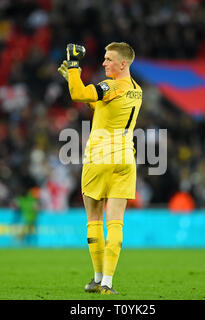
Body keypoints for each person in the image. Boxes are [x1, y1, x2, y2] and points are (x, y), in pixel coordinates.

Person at [58, 42, 142, 295]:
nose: (104, 63)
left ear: (122, 63)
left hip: (100, 157)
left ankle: (96, 278)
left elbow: (80, 94)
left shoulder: (112, 86)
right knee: (116, 222)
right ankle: (107, 283)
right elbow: (102, 106)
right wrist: (80, 86)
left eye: (108, 59)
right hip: (126, 160)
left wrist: (74, 67)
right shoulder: (136, 90)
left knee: (94, 219)